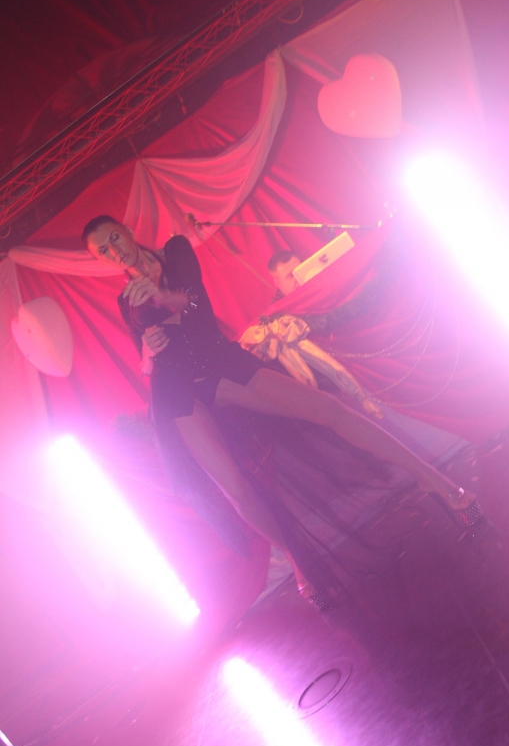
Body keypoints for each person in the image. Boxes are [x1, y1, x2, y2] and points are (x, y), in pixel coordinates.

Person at [83, 216, 483, 606]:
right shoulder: (125, 300)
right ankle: (297, 561)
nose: (113, 251)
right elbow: (146, 363)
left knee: (330, 410)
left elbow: (196, 305)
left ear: (127, 230)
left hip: (219, 362)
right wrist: (148, 348)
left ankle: (440, 484)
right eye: (103, 251)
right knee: (236, 489)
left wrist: (159, 297)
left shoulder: (175, 251)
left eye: (114, 238)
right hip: (175, 390)